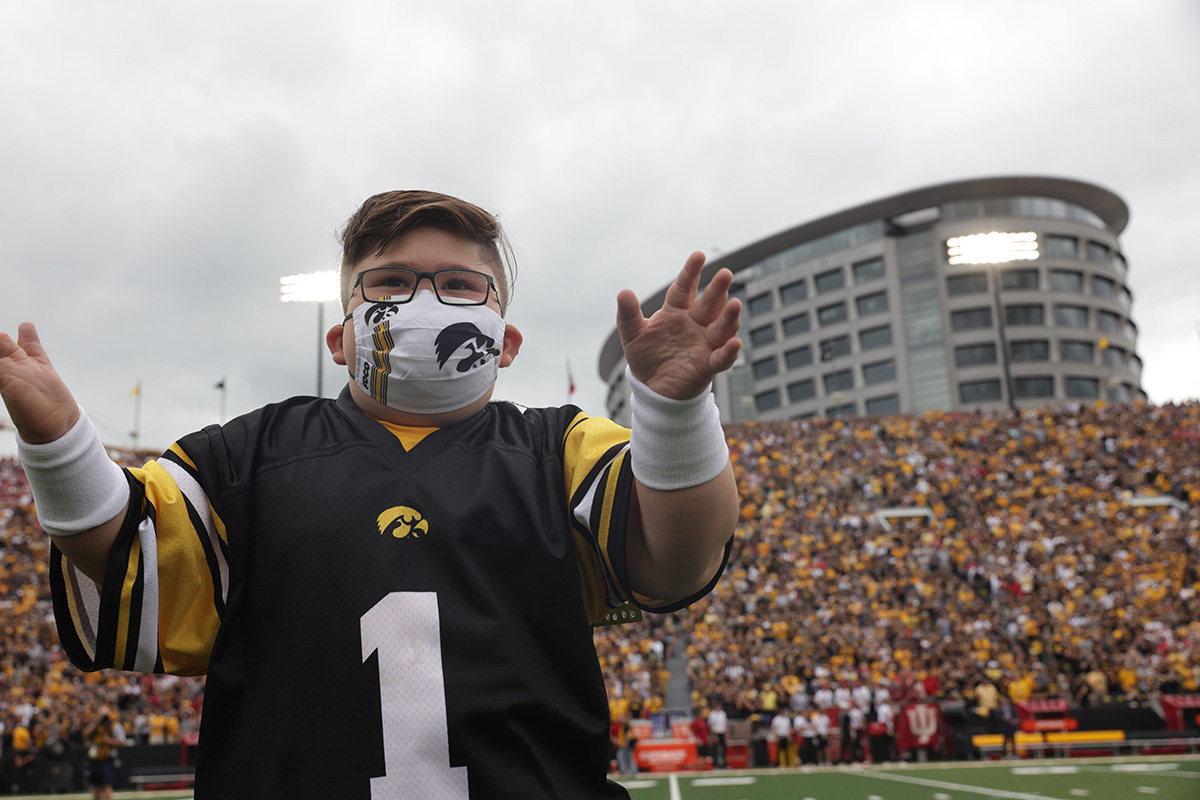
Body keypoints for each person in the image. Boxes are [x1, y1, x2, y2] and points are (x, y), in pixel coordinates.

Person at [0, 190, 743, 799]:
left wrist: (674, 413)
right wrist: (61, 443)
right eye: (389, 282)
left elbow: (675, 558)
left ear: (506, 341)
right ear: (340, 337)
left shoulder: (562, 447)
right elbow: (121, 552)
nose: (424, 298)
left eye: (459, 284)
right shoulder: (246, 455)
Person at [83, 706, 125, 800]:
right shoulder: (95, 725)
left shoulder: (114, 725)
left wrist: (108, 740)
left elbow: (122, 742)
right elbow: (85, 734)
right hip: (94, 759)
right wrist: (97, 720)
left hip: (107, 760)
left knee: (107, 785)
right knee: (96, 786)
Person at [707, 702, 728, 768]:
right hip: (716, 732)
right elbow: (711, 725)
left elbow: (725, 724)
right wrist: (714, 736)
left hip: (722, 732)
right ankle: (715, 765)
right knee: (715, 750)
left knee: (724, 749)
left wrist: (726, 734)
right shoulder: (712, 714)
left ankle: (724, 764)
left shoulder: (723, 713)